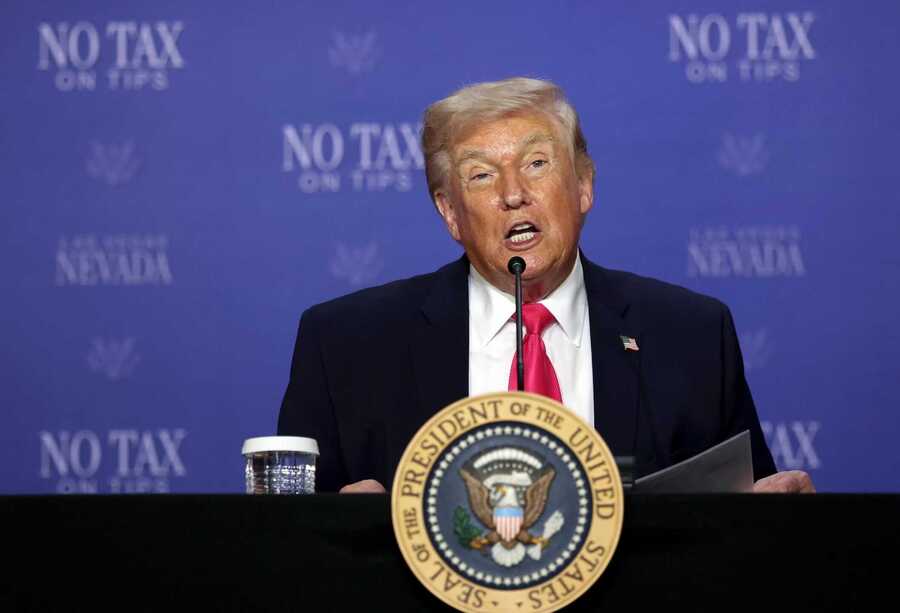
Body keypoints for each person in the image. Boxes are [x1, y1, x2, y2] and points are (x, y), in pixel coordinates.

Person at [278, 77, 814, 495]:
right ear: (450, 213)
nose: (513, 193)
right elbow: (286, 546)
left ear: (583, 186)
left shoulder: (691, 335)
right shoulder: (346, 345)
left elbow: (745, 529)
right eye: (481, 175)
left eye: (537, 163)